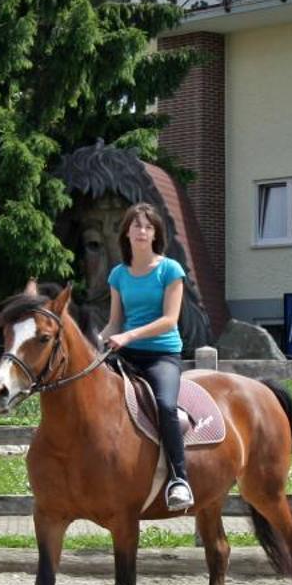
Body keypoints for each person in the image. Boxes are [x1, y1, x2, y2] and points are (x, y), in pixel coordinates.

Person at [103, 201, 192, 513]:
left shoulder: (170, 270)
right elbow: (115, 322)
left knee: (166, 406)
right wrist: (94, 342)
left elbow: (170, 319)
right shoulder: (118, 275)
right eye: (136, 225)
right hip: (125, 355)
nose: (142, 231)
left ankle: (180, 479)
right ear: (126, 232)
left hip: (161, 355)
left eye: (148, 226)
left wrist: (128, 335)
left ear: (156, 234)